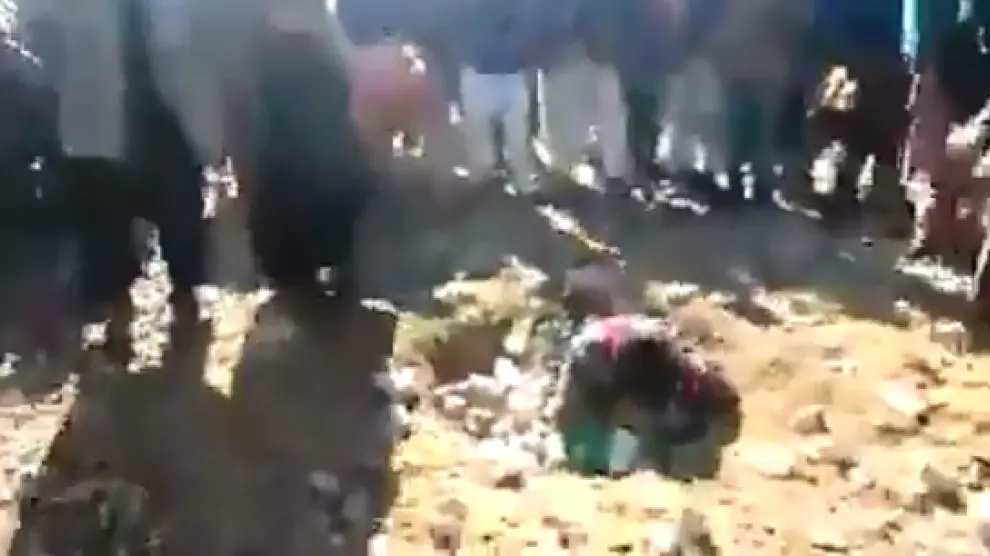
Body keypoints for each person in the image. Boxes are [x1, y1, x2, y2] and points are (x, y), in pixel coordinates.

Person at [454, 0, 548, 194]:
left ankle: (521, 179)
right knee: (481, 133)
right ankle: (485, 179)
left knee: (516, 134)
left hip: (508, 74)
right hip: (480, 74)